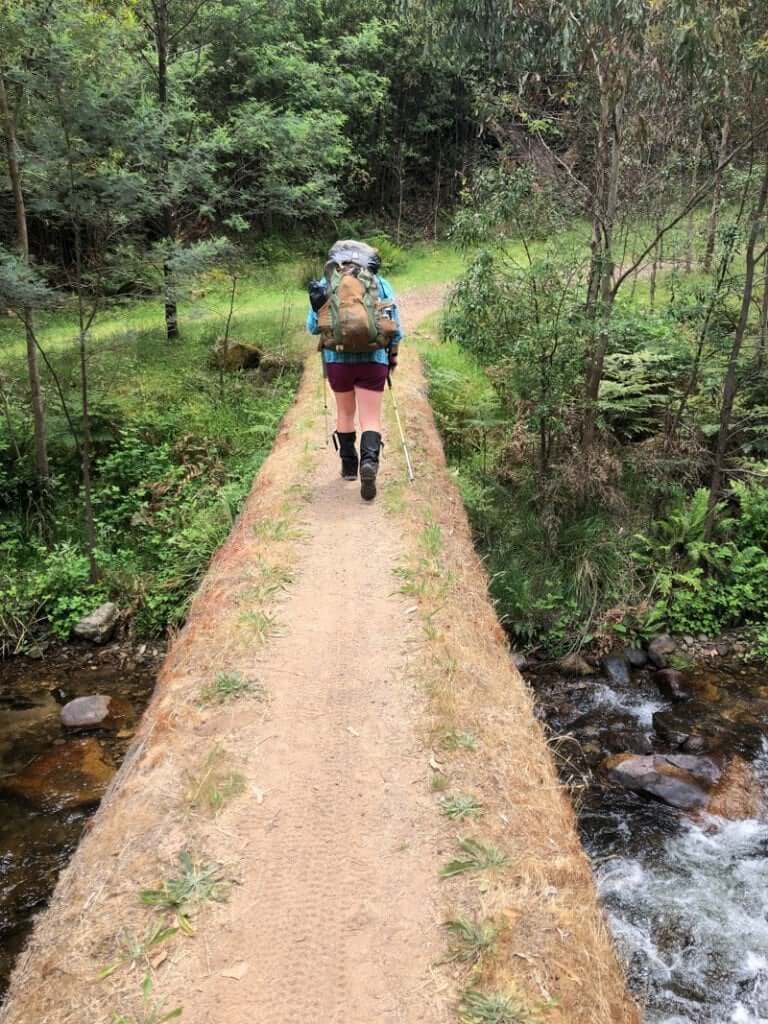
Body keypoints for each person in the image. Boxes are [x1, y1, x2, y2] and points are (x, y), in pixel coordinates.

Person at [306, 241, 403, 502]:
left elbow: (313, 327)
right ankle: (369, 464)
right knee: (370, 418)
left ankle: (349, 466)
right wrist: (392, 357)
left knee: (345, 412)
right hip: (373, 360)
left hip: (337, 361)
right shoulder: (380, 284)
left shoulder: (328, 284)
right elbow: (396, 327)